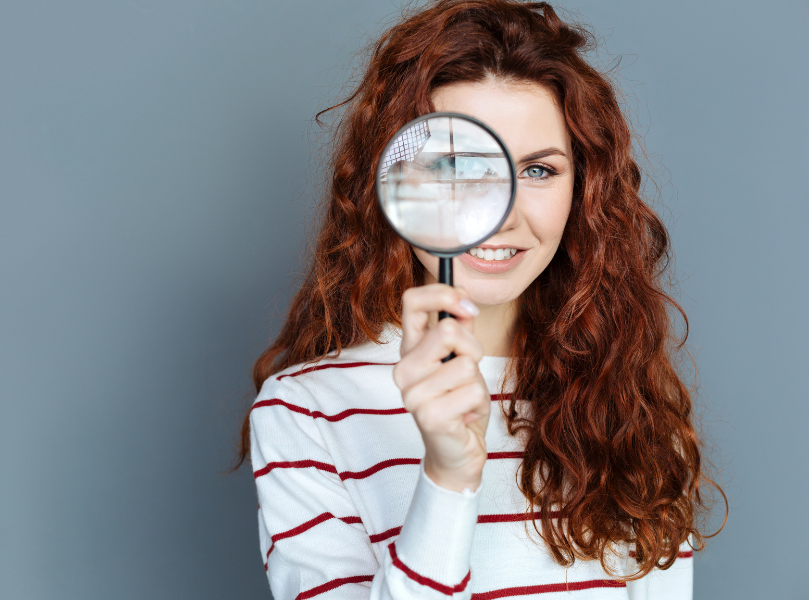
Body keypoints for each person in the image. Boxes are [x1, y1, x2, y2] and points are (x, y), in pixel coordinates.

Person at [237, 1, 724, 598]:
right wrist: (447, 477)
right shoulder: (304, 414)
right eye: (458, 168)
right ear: (391, 183)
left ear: (584, 190)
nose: (503, 213)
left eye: (540, 172)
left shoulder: (629, 403)